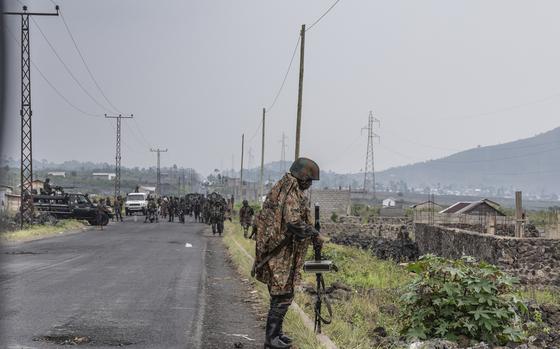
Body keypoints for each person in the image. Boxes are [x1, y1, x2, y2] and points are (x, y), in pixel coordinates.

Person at [253, 157, 324, 349]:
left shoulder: (286, 187)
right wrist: (313, 233)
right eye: (309, 181)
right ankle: (271, 339)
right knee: (282, 294)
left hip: (281, 252)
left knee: (281, 293)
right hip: (280, 253)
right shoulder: (290, 191)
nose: (309, 185)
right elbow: (293, 222)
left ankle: (277, 334)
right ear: (301, 177)